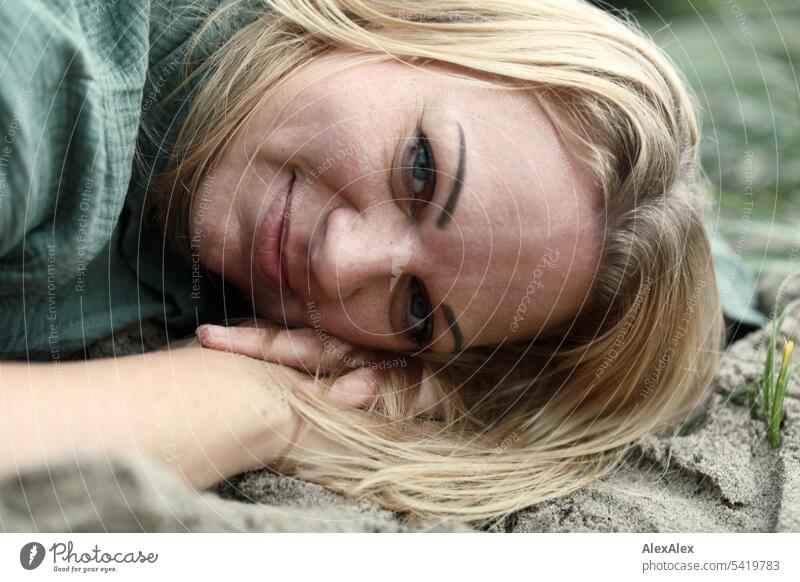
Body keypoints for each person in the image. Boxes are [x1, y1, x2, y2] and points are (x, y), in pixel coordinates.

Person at [0, 0, 752, 524]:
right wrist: (264, 406)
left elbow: (699, 287)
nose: (341, 260)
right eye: (421, 170)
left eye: (418, 308)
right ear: (414, 19)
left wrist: (451, 391)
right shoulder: (43, 77)